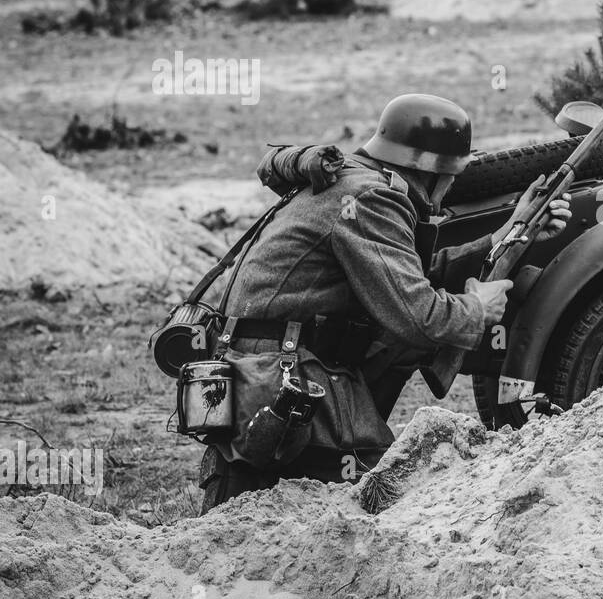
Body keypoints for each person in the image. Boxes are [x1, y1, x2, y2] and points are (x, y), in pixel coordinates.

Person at [198, 93, 570, 510]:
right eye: (450, 175)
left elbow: (403, 276)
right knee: (385, 500)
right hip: (283, 384)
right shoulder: (373, 198)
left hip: (263, 374)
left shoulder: (356, 183)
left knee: (272, 512)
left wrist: (506, 236)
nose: (450, 188)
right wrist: (476, 309)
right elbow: (418, 315)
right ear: (428, 171)